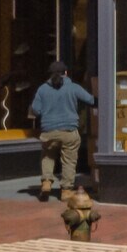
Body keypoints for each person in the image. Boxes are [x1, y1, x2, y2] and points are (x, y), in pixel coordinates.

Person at [29, 61, 93, 200]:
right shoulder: (73, 87)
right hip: (69, 131)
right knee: (69, 161)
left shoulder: (42, 89)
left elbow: (35, 110)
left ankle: (46, 182)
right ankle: (66, 190)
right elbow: (91, 100)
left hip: (48, 131)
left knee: (47, 156)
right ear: (66, 73)